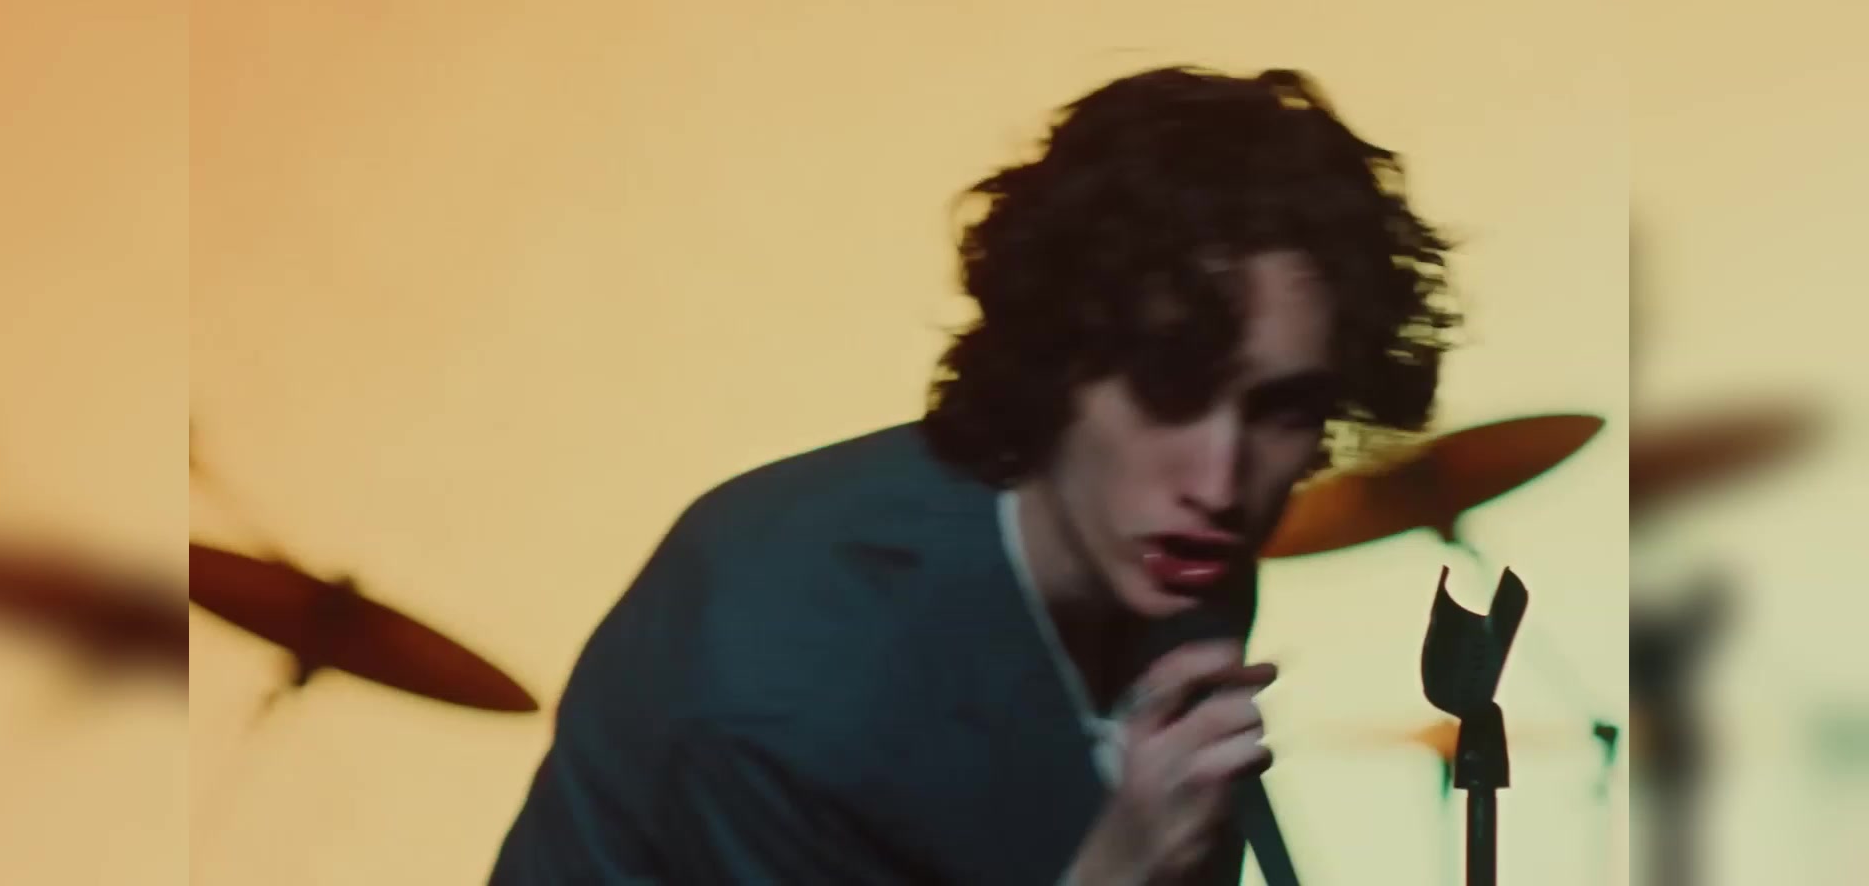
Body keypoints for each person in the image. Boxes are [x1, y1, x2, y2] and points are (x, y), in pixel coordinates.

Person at [487, 66, 1459, 884]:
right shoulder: (780, 672)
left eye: (1284, 408)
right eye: (1169, 386)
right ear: (1057, 355)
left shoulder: (1168, 548)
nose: (1220, 479)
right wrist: (1115, 871)